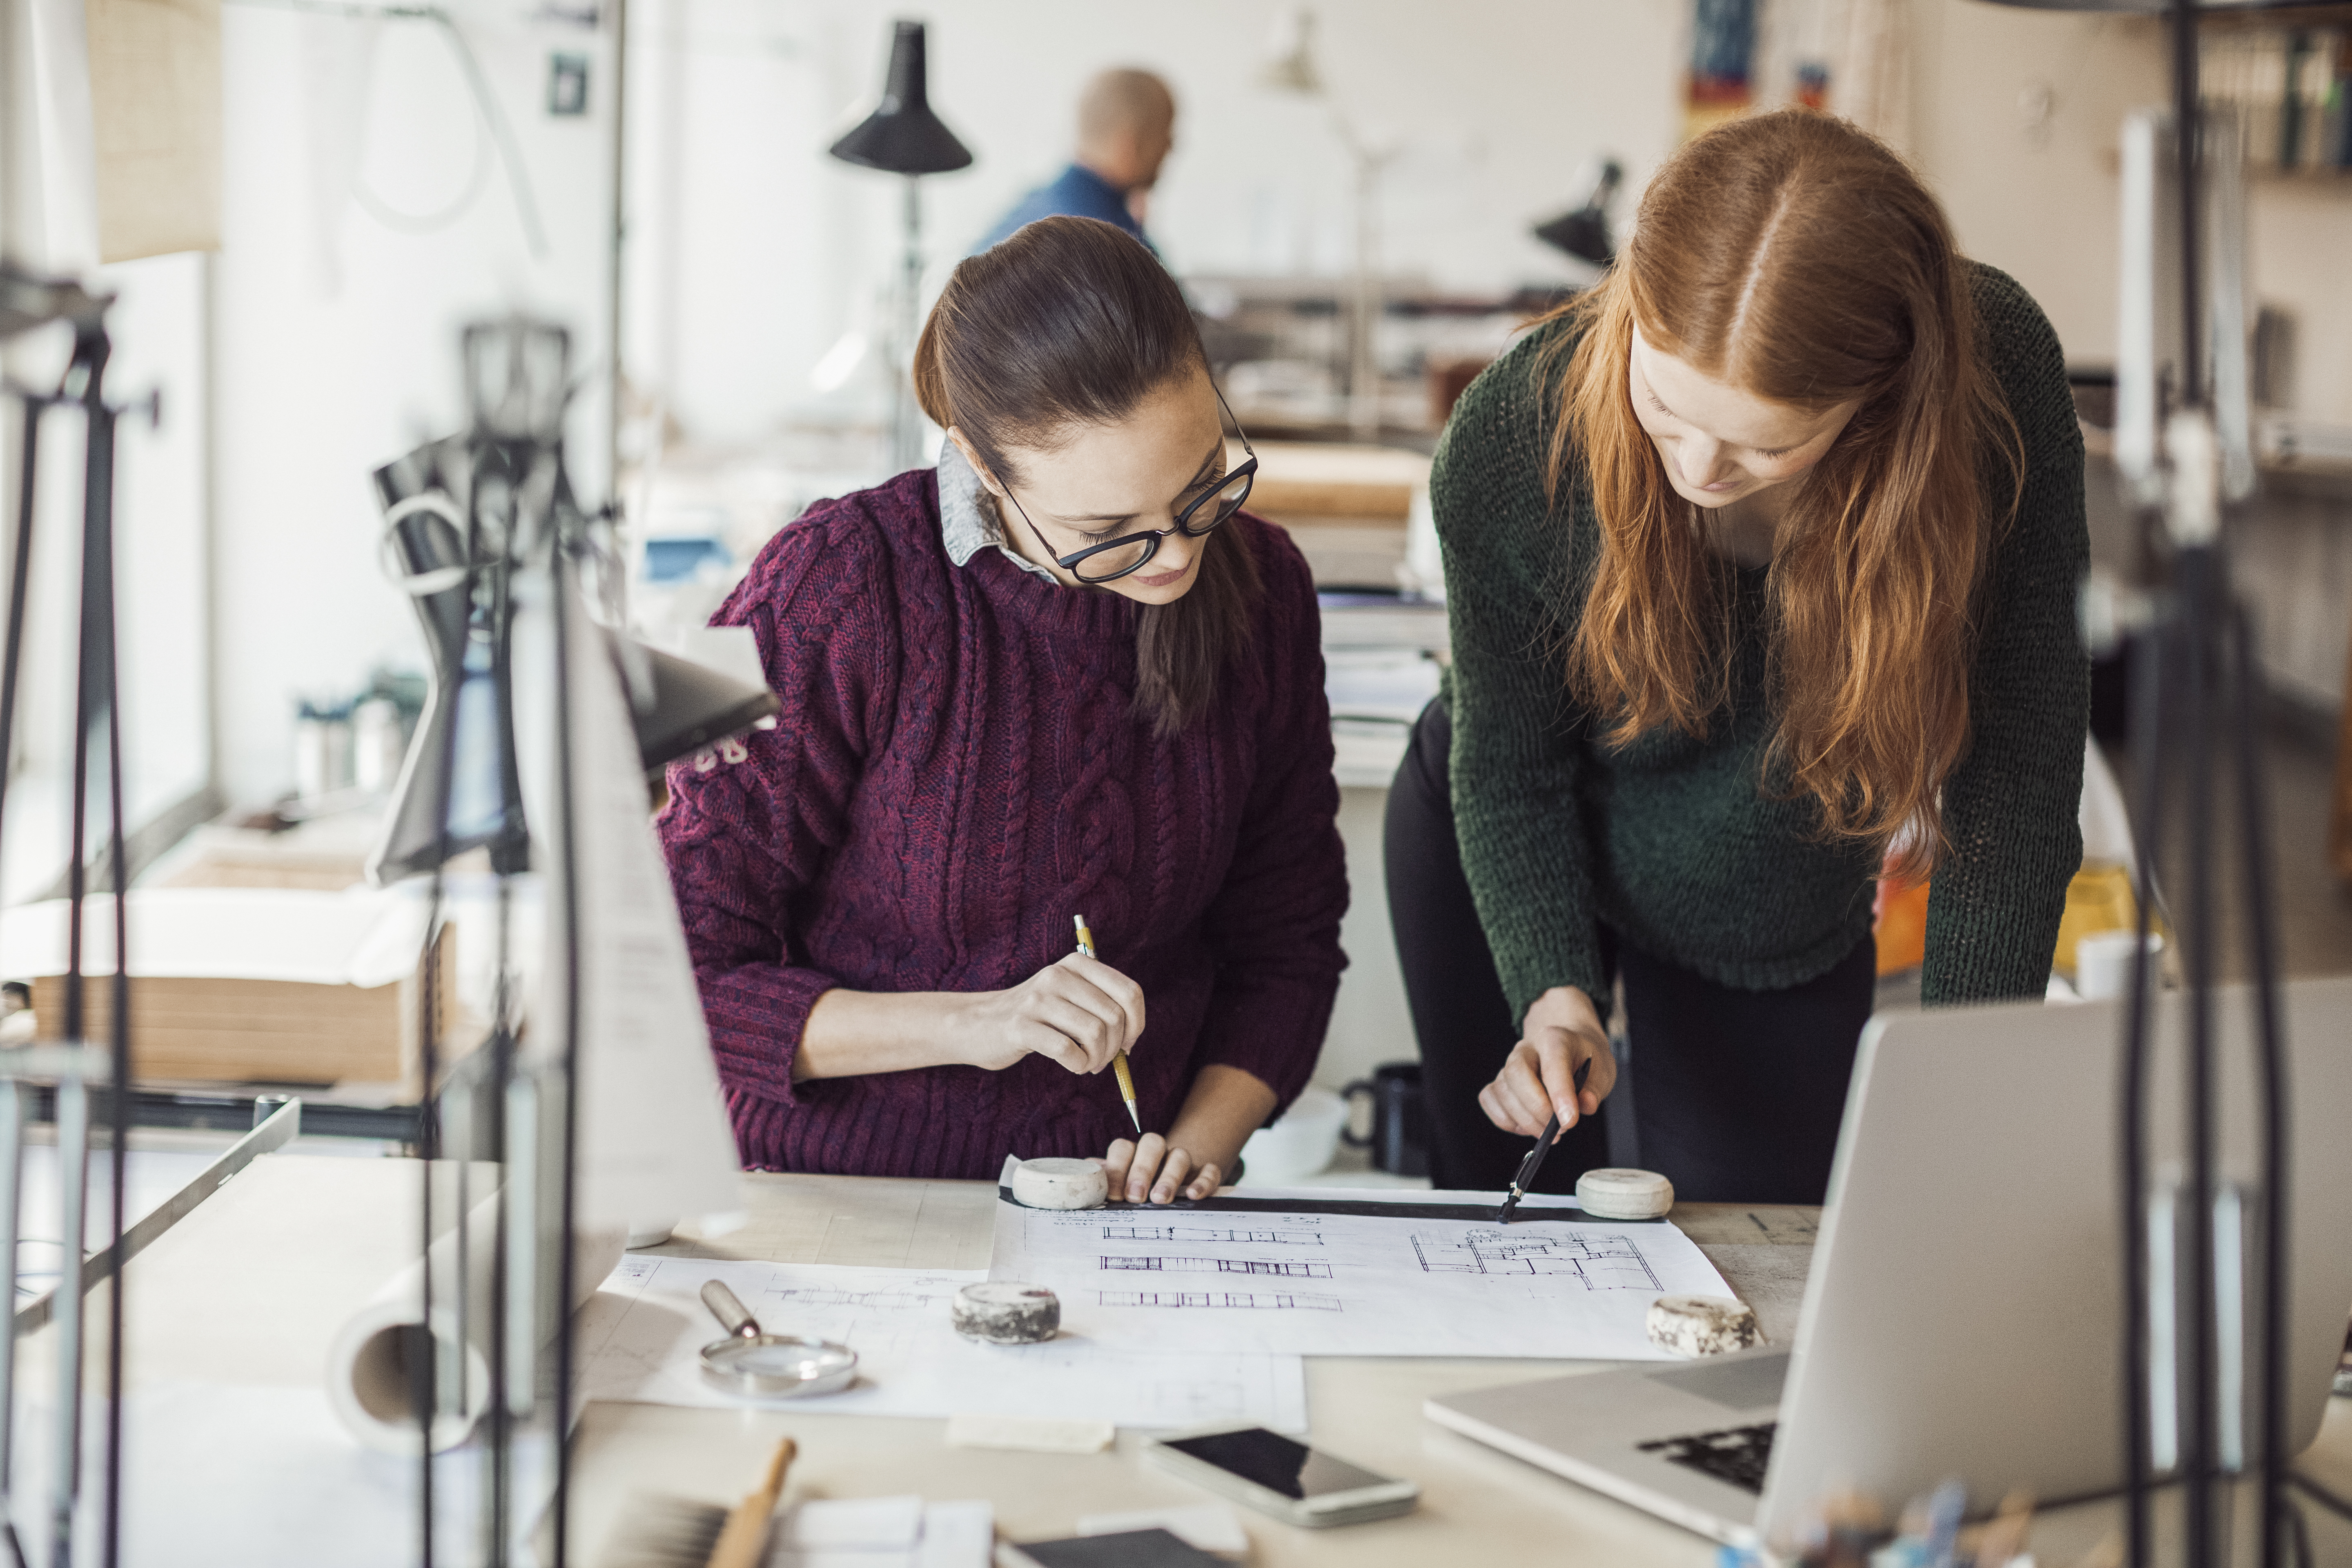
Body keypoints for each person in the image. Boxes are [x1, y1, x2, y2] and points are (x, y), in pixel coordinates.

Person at [1387, 110, 2087, 1204]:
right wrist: (1553, 991)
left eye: (1768, 442)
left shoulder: (1995, 387)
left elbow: (2017, 787)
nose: (1701, 468)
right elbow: (1510, 766)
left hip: (1768, 876)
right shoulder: (1509, 438)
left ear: (1886, 401)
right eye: (1664, 406)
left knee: (1759, 1275)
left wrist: (1961, 1092)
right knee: (1507, 1223)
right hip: (1517, 826)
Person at [661, 216, 1346, 1203]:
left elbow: (1287, 946)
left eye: (1200, 490)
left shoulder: (1264, 590)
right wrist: (975, 1022)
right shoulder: (835, 588)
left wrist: (1193, 1148)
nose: (1175, 556)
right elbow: (672, 975)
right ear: (983, 470)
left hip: (1121, 1215)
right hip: (833, 1198)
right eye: (1104, 533)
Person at [979, 69, 1175, 252]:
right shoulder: (1105, 242)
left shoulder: (1030, 208)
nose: (1170, 147)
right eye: (1165, 134)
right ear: (1129, 147)